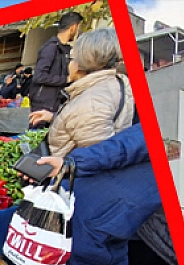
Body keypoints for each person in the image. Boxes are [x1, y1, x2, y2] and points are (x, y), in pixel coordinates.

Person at [10, 124, 177, 265]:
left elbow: (124, 145)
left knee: (45, 254)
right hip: (110, 214)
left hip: (87, 194)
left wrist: (71, 164)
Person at [27, 29, 134, 168]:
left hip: (72, 179)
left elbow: (95, 158)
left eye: (71, 58)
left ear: (78, 65)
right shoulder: (113, 83)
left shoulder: (92, 102)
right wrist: (54, 117)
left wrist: (64, 169)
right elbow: (86, 125)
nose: (69, 64)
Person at [30, 10, 86, 113]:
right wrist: (66, 79)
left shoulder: (67, 49)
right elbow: (39, 76)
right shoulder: (50, 48)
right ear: (73, 27)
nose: (80, 31)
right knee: (38, 129)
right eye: (79, 28)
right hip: (43, 103)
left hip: (57, 100)